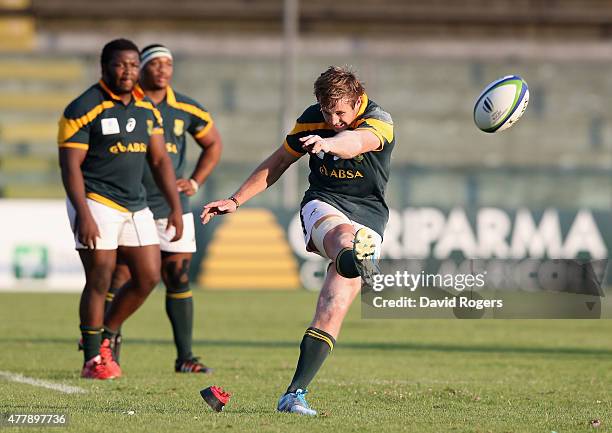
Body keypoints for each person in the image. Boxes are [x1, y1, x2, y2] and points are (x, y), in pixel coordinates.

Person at [201, 66, 394, 415]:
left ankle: (293, 395)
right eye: (326, 111)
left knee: (332, 307)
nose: (333, 119)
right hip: (324, 204)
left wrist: (330, 142)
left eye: (341, 112)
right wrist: (235, 199)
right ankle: (359, 260)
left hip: (369, 214)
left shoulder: (378, 119)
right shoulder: (310, 120)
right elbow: (277, 162)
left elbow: (357, 142)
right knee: (343, 238)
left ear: (357, 101)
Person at [58, 38, 183, 380]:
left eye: (132, 65)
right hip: (96, 202)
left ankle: (107, 334)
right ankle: (92, 359)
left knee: (148, 277)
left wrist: (174, 207)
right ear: (104, 68)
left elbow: (159, 161)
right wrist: (82, 213)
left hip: (136, 203)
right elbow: (70, 168)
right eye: (119, 64)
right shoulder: (83, 107)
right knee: (99, 278)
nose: (127, 71)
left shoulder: (146, 108)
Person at [106, 44, 222, 373]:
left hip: (174, 205)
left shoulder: (185, 107)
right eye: (154, 63)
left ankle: (185, 357)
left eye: (167, 64)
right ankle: (107, 346)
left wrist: (196, 181)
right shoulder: (127, 102)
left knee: (178, 276)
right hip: (131, 203)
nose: (162, 69)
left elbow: (213, 143)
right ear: (141, 68)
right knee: (122, 276)